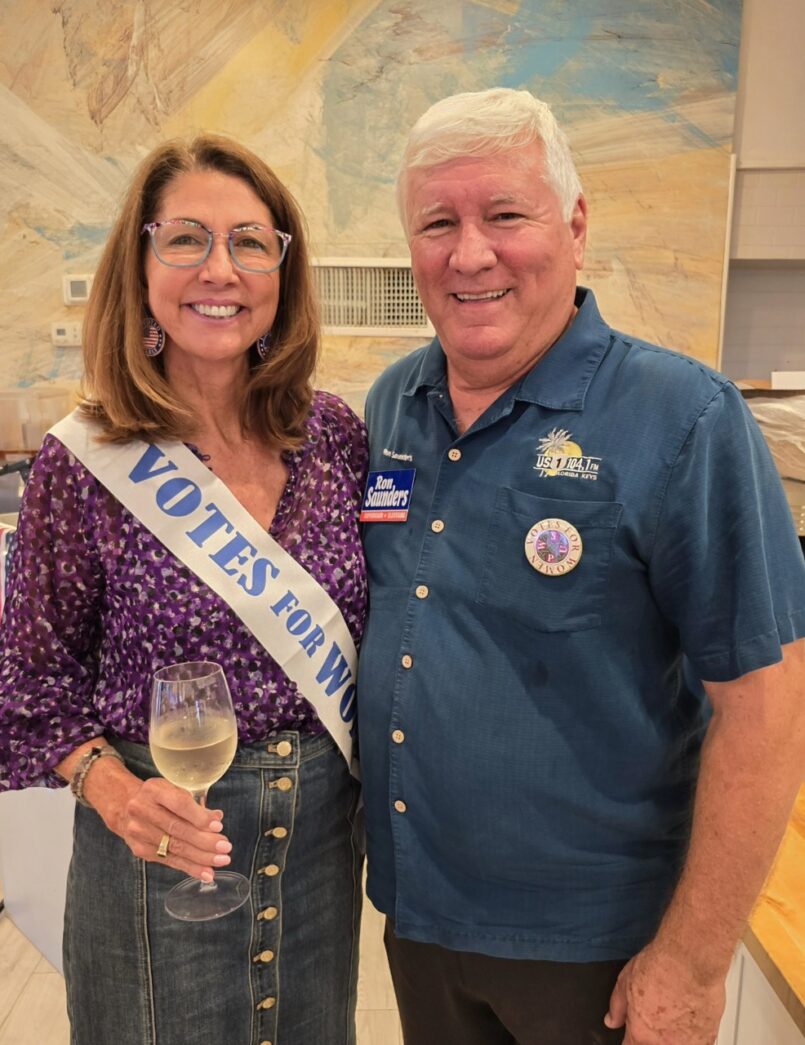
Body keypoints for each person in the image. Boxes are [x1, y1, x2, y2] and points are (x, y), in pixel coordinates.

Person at [357, 87, 805, 1045]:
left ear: (573, 224)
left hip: (600, 951)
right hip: (420, 922)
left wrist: (691, 960)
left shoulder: (683, 418)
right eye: (438, 222)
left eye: (504, 215)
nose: (469, 253)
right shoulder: (394, 403)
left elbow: (765, 705)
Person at [0, 134, 368, 1045]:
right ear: (142, 262)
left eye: (251, 241)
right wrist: (112, 789)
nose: (221, 268)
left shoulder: (333, 437)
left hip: (322, 847)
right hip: (160, 854)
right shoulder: (84, 461)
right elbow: (28, 681)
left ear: (283, 270)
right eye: (186, 239)